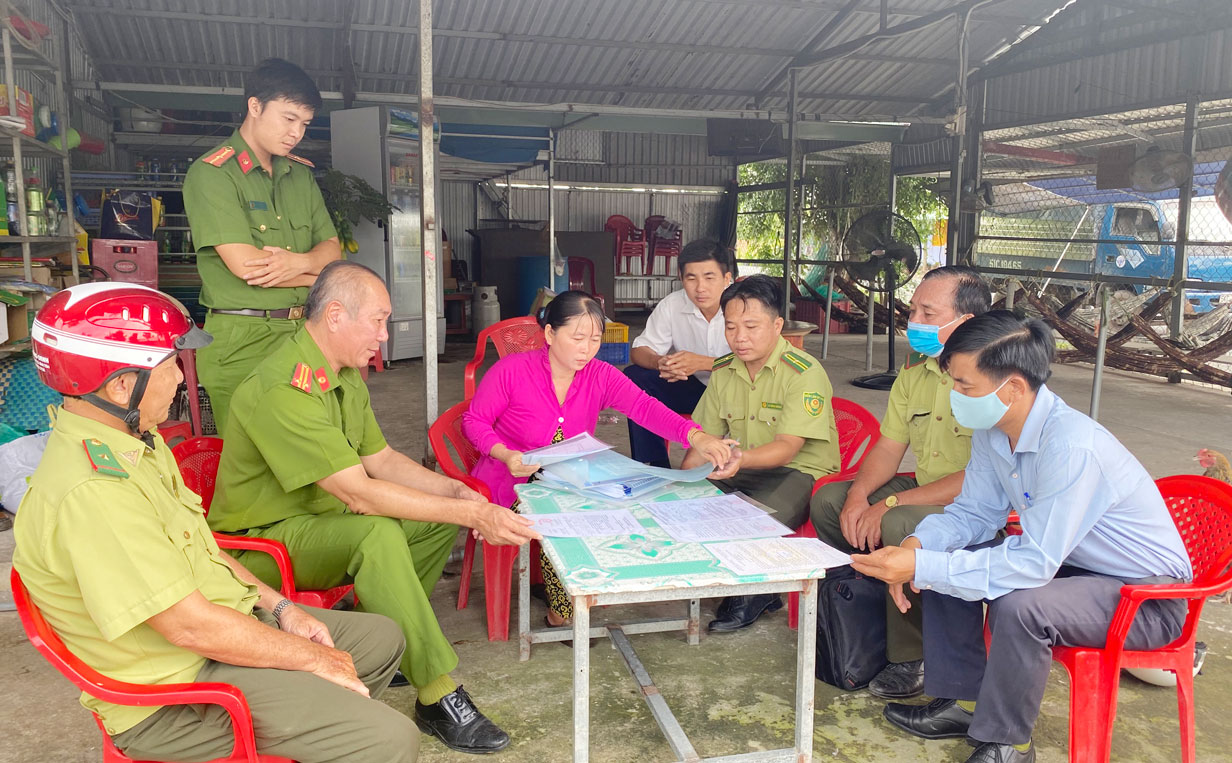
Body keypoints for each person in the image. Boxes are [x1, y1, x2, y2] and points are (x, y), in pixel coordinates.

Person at [14, 283, 419, 763]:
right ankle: (337, 732)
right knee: (391, 738)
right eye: (170, 368)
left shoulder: (136, 439)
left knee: (380, 639)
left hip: (213, 635)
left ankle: (316, 730)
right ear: (121, 385)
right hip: (175, 694)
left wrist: (283, 608)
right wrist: (309, 658)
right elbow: (189, 628)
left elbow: (204, 550)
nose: (184, 381)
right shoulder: (95, 492)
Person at [208, 261, 537, 754]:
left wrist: (452, 493)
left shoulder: (341, 373)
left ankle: (385, 642)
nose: (384, 336)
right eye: (378, 321)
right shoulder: (283, 388)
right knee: (377, 532)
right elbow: (359, 493)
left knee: (428, 523)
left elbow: (380, 459)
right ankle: (435, 690)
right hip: (262, 543)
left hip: (316, 524)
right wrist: (475, 516)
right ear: (336, 315)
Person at [851, 312, 1192, 763]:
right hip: (1074, 570)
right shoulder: (995, 432)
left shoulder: (1071, 448)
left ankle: (1008, 743)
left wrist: (922, 567)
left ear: (1012, 387)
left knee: (1020, 604)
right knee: (952, 554)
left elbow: (1034, 564)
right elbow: (973, 512)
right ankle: (964, 702)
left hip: (1148, 600)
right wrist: (919, 548)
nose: (956, 396)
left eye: (965, 386)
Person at [463, 290, 735, 627]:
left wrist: (697, 436)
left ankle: (579, 592)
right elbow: (473, 421)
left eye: (594, 339)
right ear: (550, 334)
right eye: (577, 338)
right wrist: (506, 454)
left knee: (625, 511)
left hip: (571, 475)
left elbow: (645, 408)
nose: (587, 349)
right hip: (511, 479)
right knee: (559, 520)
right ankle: (562, 611)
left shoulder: (599, 375)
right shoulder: (512, 371)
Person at [807, 265, 991, 699]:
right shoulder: (914, 373)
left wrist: (887, 505)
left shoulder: (988, 378)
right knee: (829, 501)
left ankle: (914, 653)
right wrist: (857, 495)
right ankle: (862, 619)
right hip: (927, 487)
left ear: (964, 323)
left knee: (899, 524)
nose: (915, 323)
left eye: (928, 313)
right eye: (914, 311)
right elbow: (889, 449)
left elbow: (979, 478)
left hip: (977, 502)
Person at [183, 58, 342, 434]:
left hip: (306, 334)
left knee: (316, 453)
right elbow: (247, 267)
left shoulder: (299, 174)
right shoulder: (212, 174)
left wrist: (297, 262)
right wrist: (315, 276)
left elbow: (333, 252)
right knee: (251, 463)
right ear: (255, 106)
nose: (296, 133)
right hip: (243, 339)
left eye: (304, 123)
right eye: (288, 119)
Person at [681, 274, 841, 632]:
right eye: (731, 327)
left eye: (751, 326)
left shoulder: (803, 372)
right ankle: (744, 582)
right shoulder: (724, 370)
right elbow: (704, 436)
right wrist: (683, 481)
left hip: (798, 470)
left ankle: (754, 594)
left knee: (752, 518)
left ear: (777, 324)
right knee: (684, 505)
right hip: (742, 463)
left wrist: (737, 460)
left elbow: (787, 449)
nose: (740, 338)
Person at [624, 238, 734, 467]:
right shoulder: (673, 305)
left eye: (709, 277)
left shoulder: (743, 305)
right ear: (681, 277)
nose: (700, 287)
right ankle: (653, 467)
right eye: (691, 278)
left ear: (727, 278)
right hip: (696, 391)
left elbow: (760, 360)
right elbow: (639, 350)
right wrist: (661, 362)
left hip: (739, 392)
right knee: (636, 377)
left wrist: (704, 363)